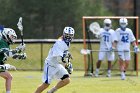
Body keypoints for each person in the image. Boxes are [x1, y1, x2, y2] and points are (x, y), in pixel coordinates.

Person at [34, 26, 74, 93]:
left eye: (70, 36)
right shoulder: (60, 43)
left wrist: (68, 55)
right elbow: (59, 59)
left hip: (57, 65)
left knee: (67, 80)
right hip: (50, 65)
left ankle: (50, 92)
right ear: (64, 34)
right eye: (67, 35)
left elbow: (64, 53)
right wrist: (67, 65)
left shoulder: (67, 42)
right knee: (45, 85)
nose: (68, 37)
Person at [0, 27, 26, 93]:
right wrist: (18, 49)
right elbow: (8, 54)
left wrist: (20, 56)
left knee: (9, 77)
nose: (12, 38)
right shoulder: (1, 41)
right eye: (11, 36)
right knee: (6, 69)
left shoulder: (6, 43)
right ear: (6, 34)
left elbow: (12, 55)